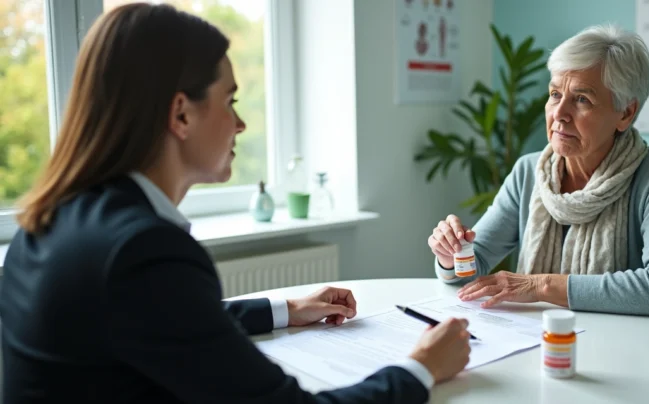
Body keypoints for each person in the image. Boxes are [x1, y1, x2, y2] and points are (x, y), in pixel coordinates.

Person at [0, 3, 471, 403]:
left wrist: (286, 307)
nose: (241, 124)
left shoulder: (57, 217)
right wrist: (421, 369)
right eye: (230, 101)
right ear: (181, 114)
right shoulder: (141, 249)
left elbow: (167, 320)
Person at [427, 24, 649, 318]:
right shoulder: (528, 171)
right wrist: (451, 256)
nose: (559, 114)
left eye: (582, 99)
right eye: (555, 94)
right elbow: (470, 270)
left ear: (626, 113)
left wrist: (541, 285)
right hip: (541, 342)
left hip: (632, 348)